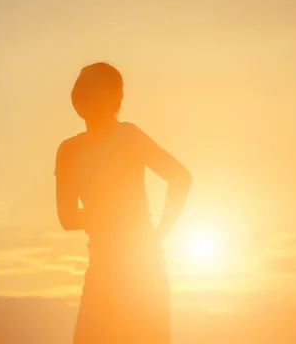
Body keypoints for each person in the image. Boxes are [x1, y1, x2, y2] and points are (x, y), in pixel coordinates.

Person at [54, 62, 193, 343]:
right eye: (79, 85)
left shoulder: (128, 136)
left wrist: (159, 233)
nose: (80, 91)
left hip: (142, 269)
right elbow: (67, 218)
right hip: (101, 270)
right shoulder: (69, 150)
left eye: (90, 86)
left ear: (113, 97)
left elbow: (180, 177)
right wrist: (111, 217)